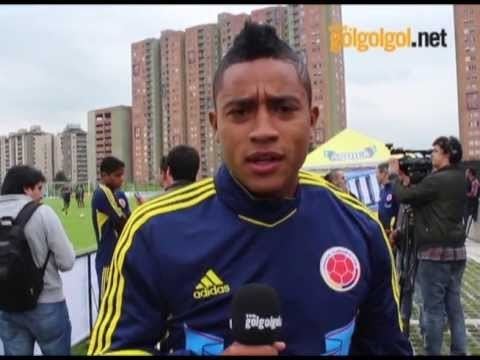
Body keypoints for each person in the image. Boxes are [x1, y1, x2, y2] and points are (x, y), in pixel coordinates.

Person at [88, 22, 412, 356]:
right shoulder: (152, 231)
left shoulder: (360, 228)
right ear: (216, 125)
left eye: (283, 109)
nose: (263, 131)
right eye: (240, 112)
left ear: (311, 119)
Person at [389, 136, 467, 355]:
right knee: (454, 308)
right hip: (457, 253)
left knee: (433, 310)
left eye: (435, 151)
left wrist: (395, 176)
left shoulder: (437, 181)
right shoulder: (460, 178)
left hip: (435, 255)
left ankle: (432, 352)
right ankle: (459, 351)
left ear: (447, 154)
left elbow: (405, 196)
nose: (431, 155)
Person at [0, 165, 75, 355]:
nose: (42, 194)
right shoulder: (43, 213)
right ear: (27, 189)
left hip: (7, 305)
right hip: (47, 303)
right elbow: (67, 262)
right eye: (39, 188)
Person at [91, 157, 131, 299]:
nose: (121, 179)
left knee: (119, 305)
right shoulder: (103, 193)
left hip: (117, 259)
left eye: (122, 175)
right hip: (108, 261)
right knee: (107, 306)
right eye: (117, 175)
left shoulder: (115, 194)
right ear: (104, 175)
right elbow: (125, 223)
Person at [376, 162, 400, 238]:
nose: (376, 176)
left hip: (395, 235)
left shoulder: (395, 188)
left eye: (377, 173)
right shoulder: (382, 191)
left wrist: (396, 231)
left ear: (384, 173)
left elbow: (400, 211)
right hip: (384, 234)